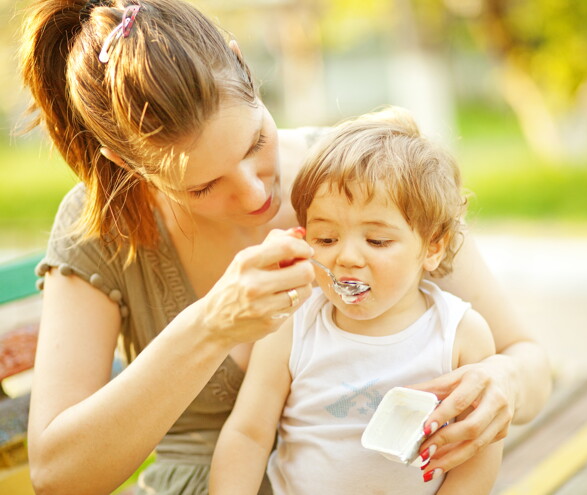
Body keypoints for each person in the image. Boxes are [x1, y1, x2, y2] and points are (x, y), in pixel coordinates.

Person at [19, 0, 550, 493]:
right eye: (202, 186)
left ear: (242, 65)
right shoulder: (102, 225)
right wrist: (211, 326)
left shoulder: (361, 178)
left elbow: (525, 361)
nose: (254, 192)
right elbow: (56, 475)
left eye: (255, 143)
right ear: (127, 164)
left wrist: (502, 382)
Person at [209, 107, 503, 494]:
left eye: (377, 241)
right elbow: (248, 434)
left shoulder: (461, 334)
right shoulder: (292, 325)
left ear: (433, 246)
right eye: (326, 239)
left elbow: (478, 458)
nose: (346, 257)